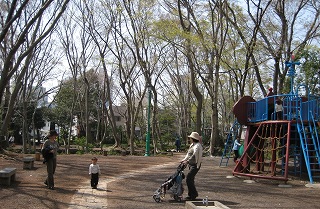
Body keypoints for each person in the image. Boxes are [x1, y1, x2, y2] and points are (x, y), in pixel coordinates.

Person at [181, 132, 203, 200]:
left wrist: (187, 161)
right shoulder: (192, 145)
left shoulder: (198, 146)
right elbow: (188, 154)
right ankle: (191, 195)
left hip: (195, 165)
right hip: (191, 164)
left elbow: (194, 155)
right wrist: (184, 159)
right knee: (190, 179)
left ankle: (193, 194)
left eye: (190, 138)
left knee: (189, 179)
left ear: (193, 138)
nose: (189, 139)